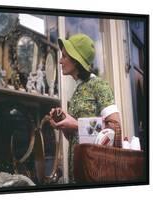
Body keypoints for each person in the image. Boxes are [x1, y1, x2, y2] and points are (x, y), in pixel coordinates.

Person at [49, 33, 121, 183]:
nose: (60, 61)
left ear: (76, 61)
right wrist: (63, 123)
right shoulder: (77, 91)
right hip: (77, 171)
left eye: (64, 56)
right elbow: (74, 136)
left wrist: (75, 124)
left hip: (96, 172)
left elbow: (115, 129)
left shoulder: (99, 85)